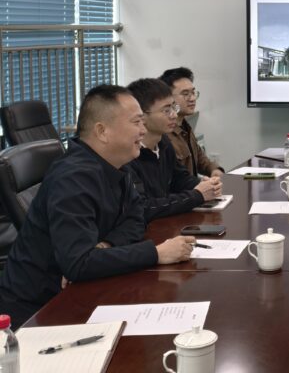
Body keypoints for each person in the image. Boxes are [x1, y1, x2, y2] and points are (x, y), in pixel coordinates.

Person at [0, 85, 196, 327]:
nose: (143, 130)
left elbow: (136, 217)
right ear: (102, 131)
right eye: (136, 122)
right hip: (39, 311)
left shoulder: (116, 165)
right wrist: (156, 253)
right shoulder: (73, 178)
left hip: (82, 291)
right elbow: (79, 264)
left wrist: (106, 245)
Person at [126, 78, 222, 223]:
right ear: (142, 116)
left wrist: (204, 185)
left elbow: (180, 177)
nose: (174, 115)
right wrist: (197, 195)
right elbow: (144, 207)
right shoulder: (128, 154)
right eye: (166, 110)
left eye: (173, 108)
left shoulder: (163, 142)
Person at [159, 67, 224, 178]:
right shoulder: (163, 135)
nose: (192, 98)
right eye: (185, 94)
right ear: (168, 98)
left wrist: (214, 170)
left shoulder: (185, 126)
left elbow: (200, 158)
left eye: (193, 92)